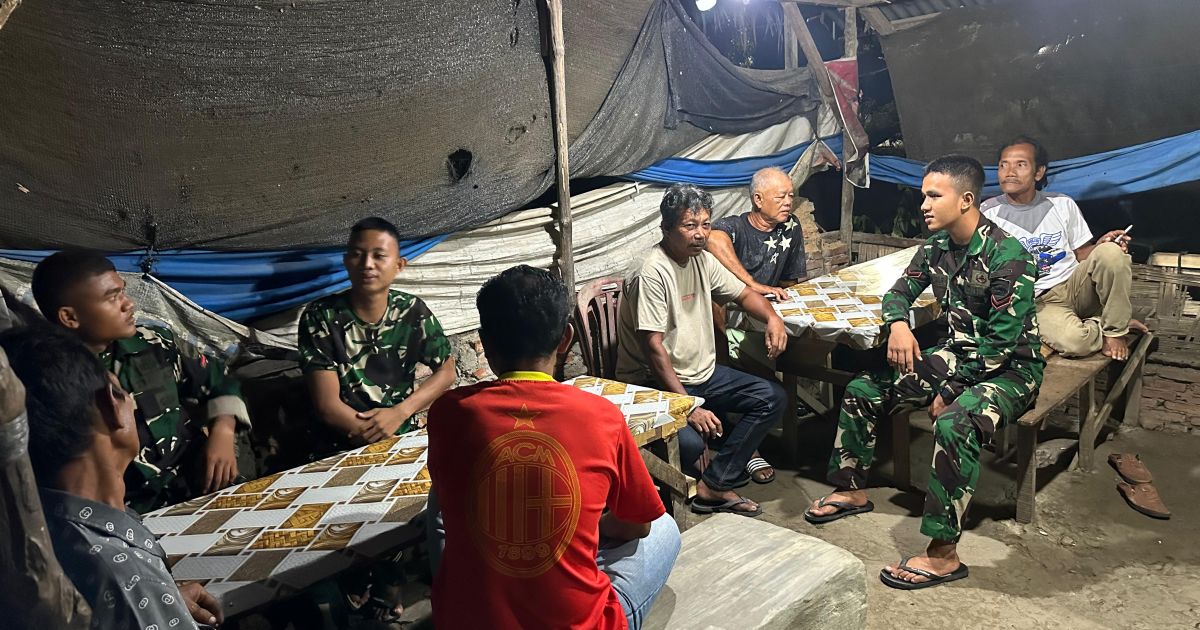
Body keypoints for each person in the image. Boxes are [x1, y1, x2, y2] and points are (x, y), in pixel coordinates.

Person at [804, 156, 1044, 589]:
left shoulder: (1008, 256)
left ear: (966, 200)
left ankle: (943, 553)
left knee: (955, 421)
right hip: (956, 357)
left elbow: (1000, 346)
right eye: (923, 196)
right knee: (865, 387)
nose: (924, 205)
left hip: (1011, 371)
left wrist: (950, 390)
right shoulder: (936, 247)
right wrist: (897, 324)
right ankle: (851, 486)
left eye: (935, 195)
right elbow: (899, 292)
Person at [427, 265, 680, 629]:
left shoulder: (448, 414)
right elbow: (637, 527)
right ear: (566, 340)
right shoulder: (602, 417)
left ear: (484, 342)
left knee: (440, 504)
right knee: (663, 530)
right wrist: (593, 528)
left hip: (468, 620)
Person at [0, 327, 224, 629]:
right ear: (111, 404)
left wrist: (163, 602)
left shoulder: (39, 530)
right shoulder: (126, 576)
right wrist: (146, 600)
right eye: (123, 392)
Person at [32, 251, 253, 513]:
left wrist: (223, 432)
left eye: (122, 292)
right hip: (129, 511)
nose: (129, 305)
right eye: (112, 298)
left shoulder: (153, 342)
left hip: (199, 483)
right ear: (70, 318)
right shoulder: (48, 382)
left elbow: (219, 380)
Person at [616, 183, 789, 518]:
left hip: (703, 376)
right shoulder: (652, 271)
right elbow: (653, 348)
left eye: (706, 225)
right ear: (666, 228)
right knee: (693, 444)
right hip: (656, 386)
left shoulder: (701, 260)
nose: (699, 234)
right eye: (689, 226)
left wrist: (773, 318)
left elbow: (742, 294)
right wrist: (688, 408)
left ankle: (713, 485)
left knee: (772, 397)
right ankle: (717, 480)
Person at [981, 135, 1147, 360]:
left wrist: (1102, 245)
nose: (1009, 171)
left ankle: (1115, 332)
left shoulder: (1062, 204)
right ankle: (1110, 324)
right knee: (1076, 344)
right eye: (1003, 165)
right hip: (1038, 301)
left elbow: (1081, 254)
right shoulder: (988, 214)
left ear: (1038, 172)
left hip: (1075, 286)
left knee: (1111, 253)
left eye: (1020, 164)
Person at [299, 217, 456, 454]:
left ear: (399, 265)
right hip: (341, 444)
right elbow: (328, 406)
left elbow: (446, 371)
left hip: (402, 436)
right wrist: (384, 441)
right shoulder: (321, 317)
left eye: (379, 255)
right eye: (357, 254)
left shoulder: (412, 311)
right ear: (346, 261)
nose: (367, 264)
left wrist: (400, 413)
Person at [707, 166, 809, 483]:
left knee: (799, 355)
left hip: (767, 318)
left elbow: (792, 281)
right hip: (733, 326)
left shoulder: (791, 228)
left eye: (791, 195)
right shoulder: (734, 228)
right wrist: (753, 284)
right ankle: (750, 450)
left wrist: (776, 308)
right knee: (761, 381)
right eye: (781, 196)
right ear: (758, 199)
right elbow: (713, 239)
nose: (788, 201)